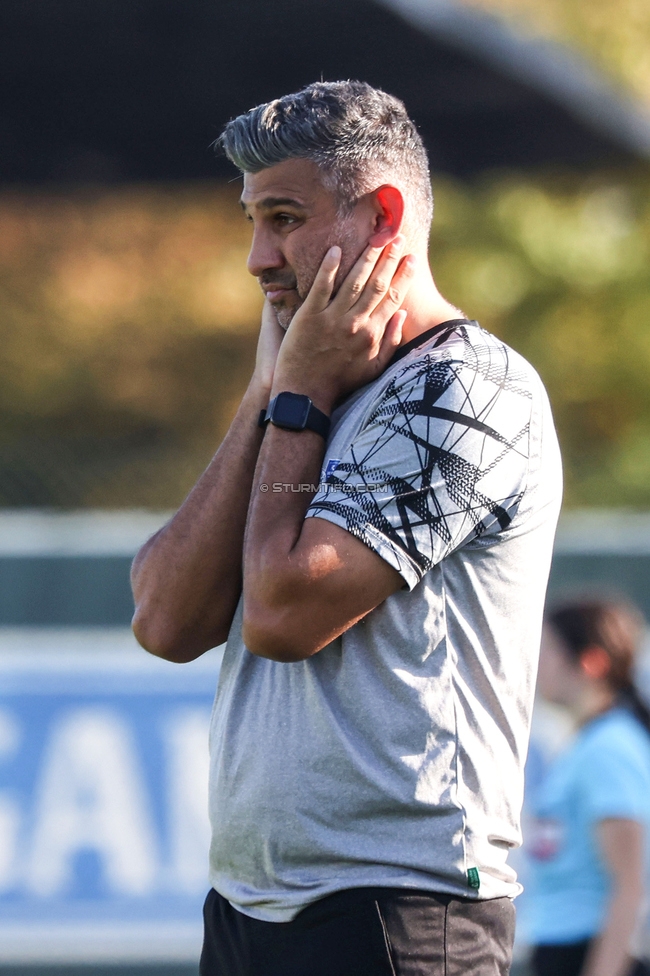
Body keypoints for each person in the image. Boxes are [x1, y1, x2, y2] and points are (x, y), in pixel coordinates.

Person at [130, 80, 563, 975]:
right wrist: (266, 392)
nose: (258, 258)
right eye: (252, 221)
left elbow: (284, 618)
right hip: (251, 907)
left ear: (383, 216)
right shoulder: (307, 389)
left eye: (284, 217)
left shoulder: (469, 390)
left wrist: (297, 395)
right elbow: (165, 622)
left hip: (400, 909)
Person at [528, 598, 650, 976]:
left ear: (590, 662)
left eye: (547, 650)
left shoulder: (609, 746)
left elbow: (630, 886)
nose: (537, 663)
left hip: (588, 953)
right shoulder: (583, 742)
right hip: (563, 951)